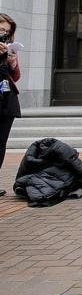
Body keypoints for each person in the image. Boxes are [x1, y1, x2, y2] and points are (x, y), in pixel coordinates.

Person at [0, 13, 21, 198]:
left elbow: (15, 77)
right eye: (1, 30)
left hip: (7, 99)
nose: (4, 34)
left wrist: (12, 62)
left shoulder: (9, 49)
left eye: (7, 31)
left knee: (1, 142)